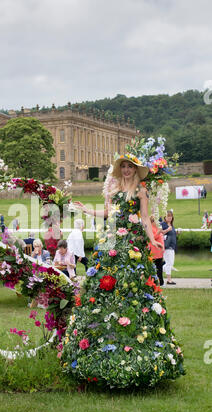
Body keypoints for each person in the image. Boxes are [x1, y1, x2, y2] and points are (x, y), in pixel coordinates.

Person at [63, 149, 185, 388]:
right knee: (105, 283)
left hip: (132, 242)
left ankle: (139, 339)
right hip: (111, 240)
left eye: (130, 167)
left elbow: (144, 218)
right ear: (120, 170)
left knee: (135, 284)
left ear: (135, 170)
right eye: (124, 167)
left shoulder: (141, 190)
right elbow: (108, 213)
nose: (127, 170)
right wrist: (87, 210)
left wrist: (151, 239)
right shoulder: (113, 189)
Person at [161, 211, 177, 285]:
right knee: (169, 263)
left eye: (171, 216)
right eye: (168, 216)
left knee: (171, 263)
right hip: (167, 246)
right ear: (165, 217)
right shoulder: (163, 224)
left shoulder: (171, 225)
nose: (169, 218)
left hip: (172, 246)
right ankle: (169, 280)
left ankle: (159, 268)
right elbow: (160, 233)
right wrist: (167, 230)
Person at [149, 215, 165, 286]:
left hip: (159, 252)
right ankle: (155, 282)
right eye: (156, 221)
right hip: (154, 252)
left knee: (159, 267)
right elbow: (152, 238)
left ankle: (161, 282)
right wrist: (158, 232)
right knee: (155, 268)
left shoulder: (157, 228)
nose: (158, 222)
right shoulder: (151, 228)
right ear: (152, 221)